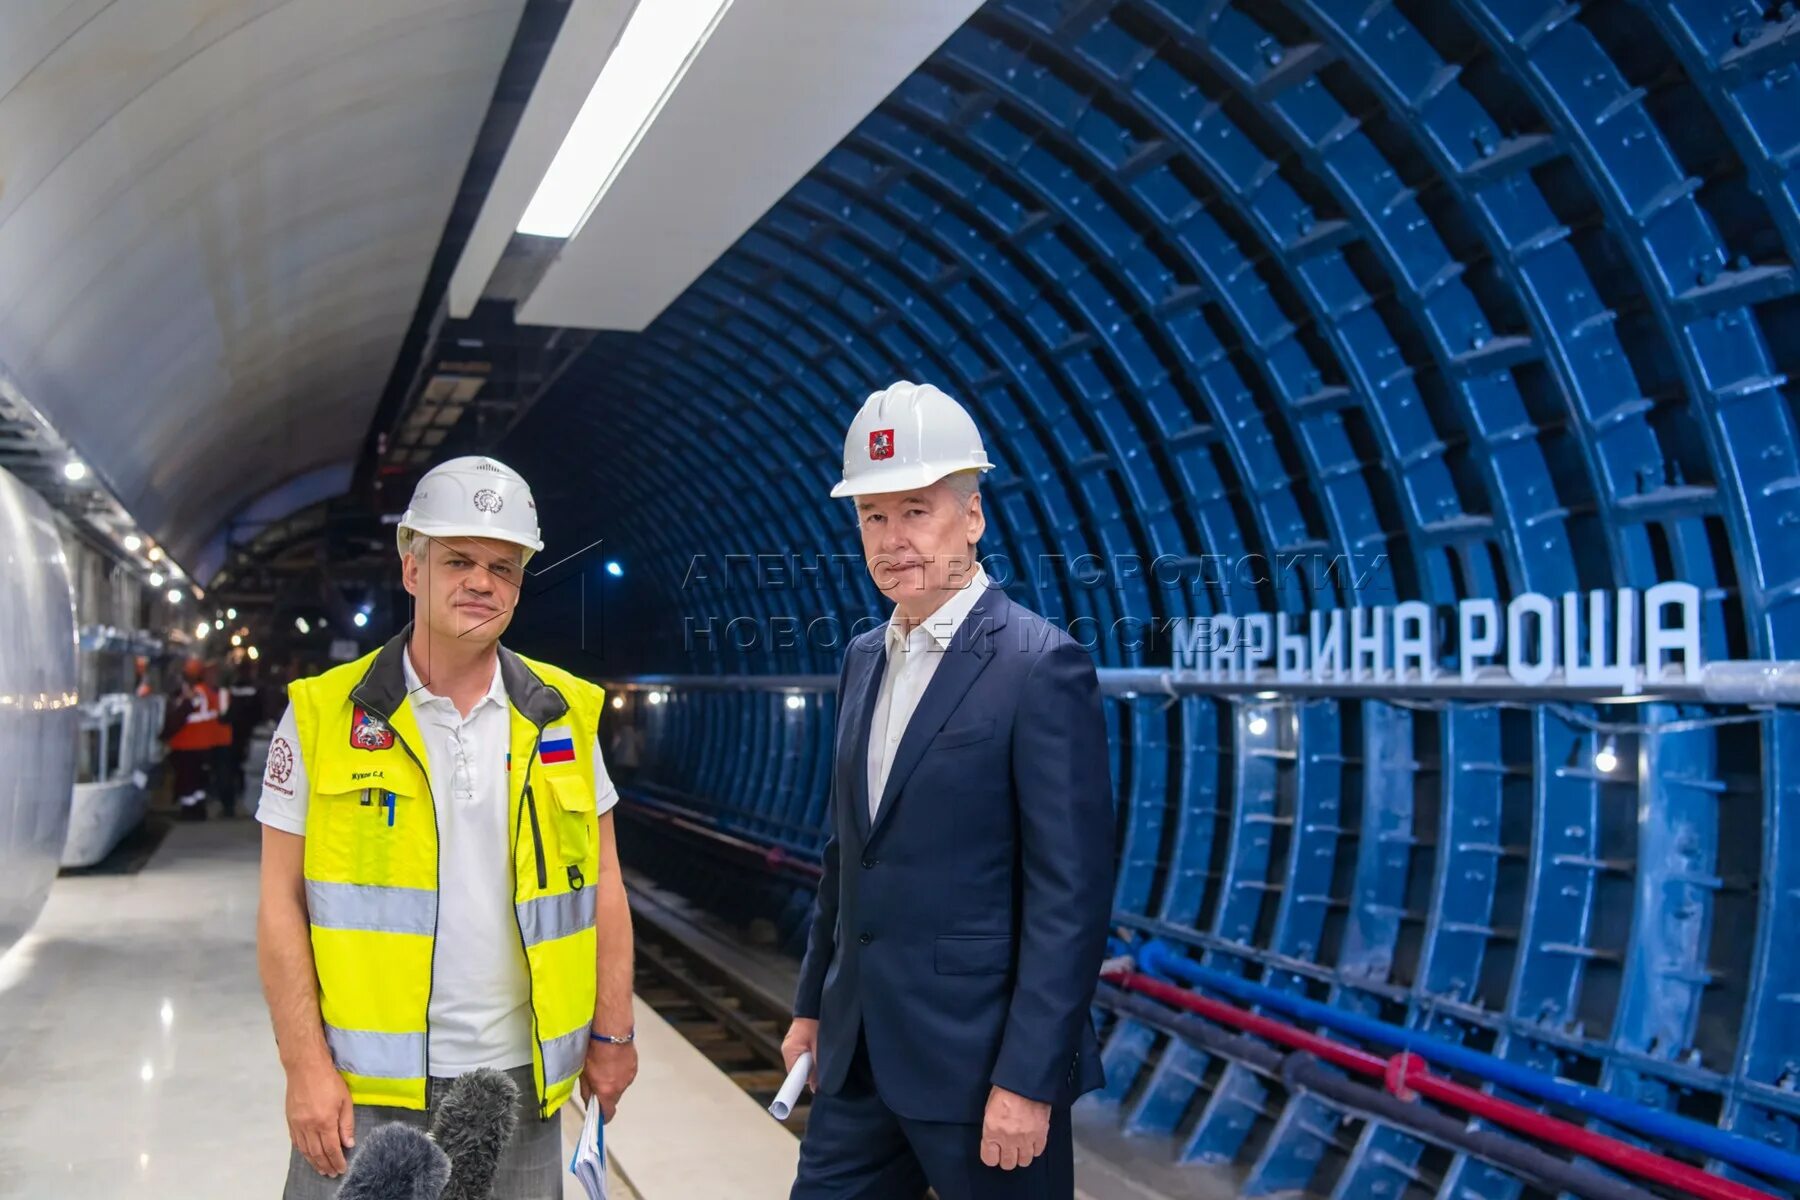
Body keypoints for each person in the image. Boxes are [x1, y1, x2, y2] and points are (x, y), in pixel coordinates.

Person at [256, 456, 637, 1200]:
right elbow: (279, 902)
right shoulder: (323, 715)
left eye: (502, 567)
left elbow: (605, 885)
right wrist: (304, 1066)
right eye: (458, 560)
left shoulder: (562, 713)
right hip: (362, 1087)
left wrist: (613, 1032)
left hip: (519, 1083)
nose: (481, 583)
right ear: (412, 569)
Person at [784, 382, 1116, 1199]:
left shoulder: (1039, 665)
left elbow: (1070, 897)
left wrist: (1029, 1079)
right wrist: (813, 1005)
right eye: (873, 516)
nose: (893, 538)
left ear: (972, 517)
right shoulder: (863, 658)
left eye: (915, 510)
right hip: (859, 1058)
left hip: (981, 1070)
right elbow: (847, 855)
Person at [163, 656, 225, 821]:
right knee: (198, 780)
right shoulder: (207, 692)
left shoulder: (195, 694)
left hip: (187, 744)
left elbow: (181, 716)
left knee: (187, 781)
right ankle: (198, 809)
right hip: (203, 743)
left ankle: (189, 811)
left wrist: (164, 734)